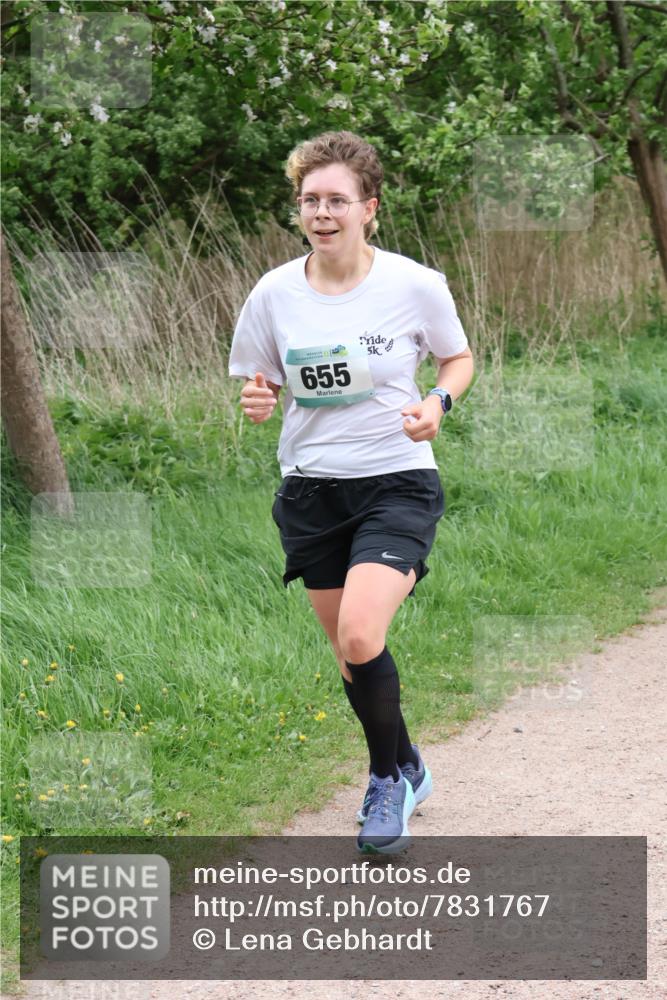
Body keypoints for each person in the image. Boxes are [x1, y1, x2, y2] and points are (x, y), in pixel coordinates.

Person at [228, 130, 474, 855]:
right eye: (309, 200)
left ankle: (382, 784)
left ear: (369, 208)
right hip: (311, 490)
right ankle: (407, 762)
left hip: (395, 480)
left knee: (363, 634)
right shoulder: (274, 291)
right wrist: (257, 395)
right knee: (348, 653)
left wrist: (437, 403)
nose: (321, 212)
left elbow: (456, 357)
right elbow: (259, 374)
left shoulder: (414, 284)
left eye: (336, 199)